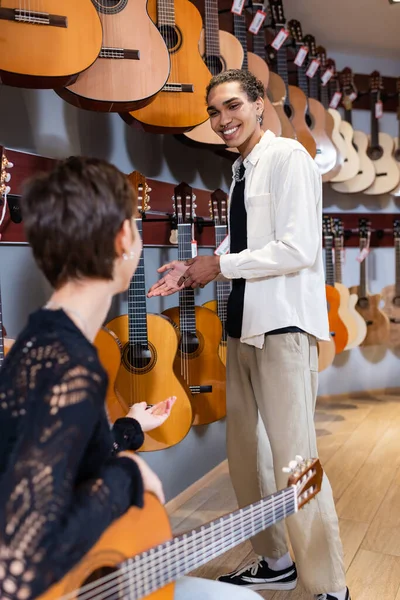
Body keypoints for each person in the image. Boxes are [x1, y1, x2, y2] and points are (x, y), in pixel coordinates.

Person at [0, 157, 260, 600]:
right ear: (125, 237)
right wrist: (130, 478)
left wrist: (128, 431)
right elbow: (22, 556)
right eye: (136, 230)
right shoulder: (72, 363)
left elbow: (54, 460)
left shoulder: (39, 340)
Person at [147, 70, 350, 600]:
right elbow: (240, 252)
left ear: (260, 105)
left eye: (233, 106)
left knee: (295, 462)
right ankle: (275, 559)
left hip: (283, 328)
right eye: (214, 112)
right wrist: (195, 267)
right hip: (242, 330)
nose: (222, 120)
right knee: (247, 458)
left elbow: (298, 249)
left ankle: (329, 586)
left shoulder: (290, 159)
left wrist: (219, 265)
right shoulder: (241, 171)